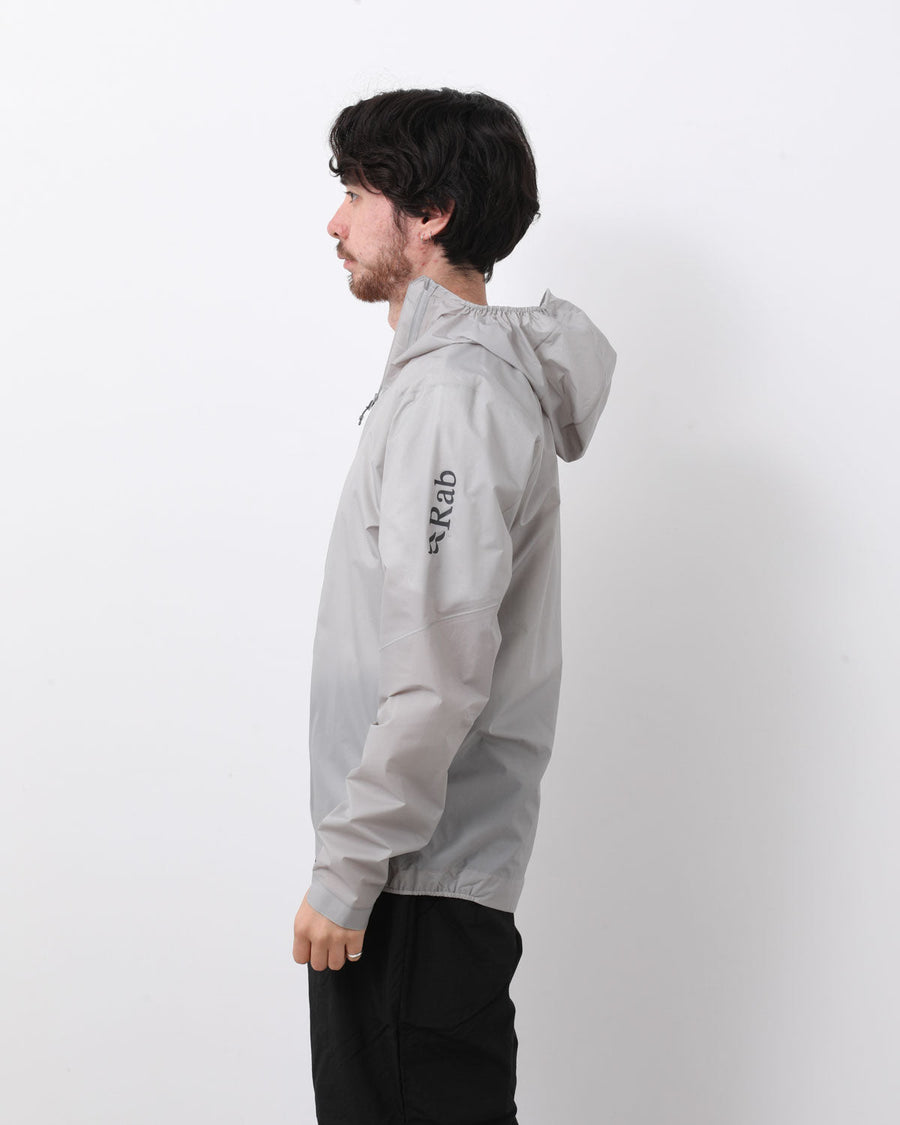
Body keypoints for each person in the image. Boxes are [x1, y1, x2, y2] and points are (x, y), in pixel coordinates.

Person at [292, 87, 616, 1124]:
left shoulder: (452, 399)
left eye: (356, 193)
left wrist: (348, 867)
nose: (335, 221)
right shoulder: (448, 387)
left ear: (430, 212)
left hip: (412, 890)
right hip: (417, 882)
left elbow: (436, 674)